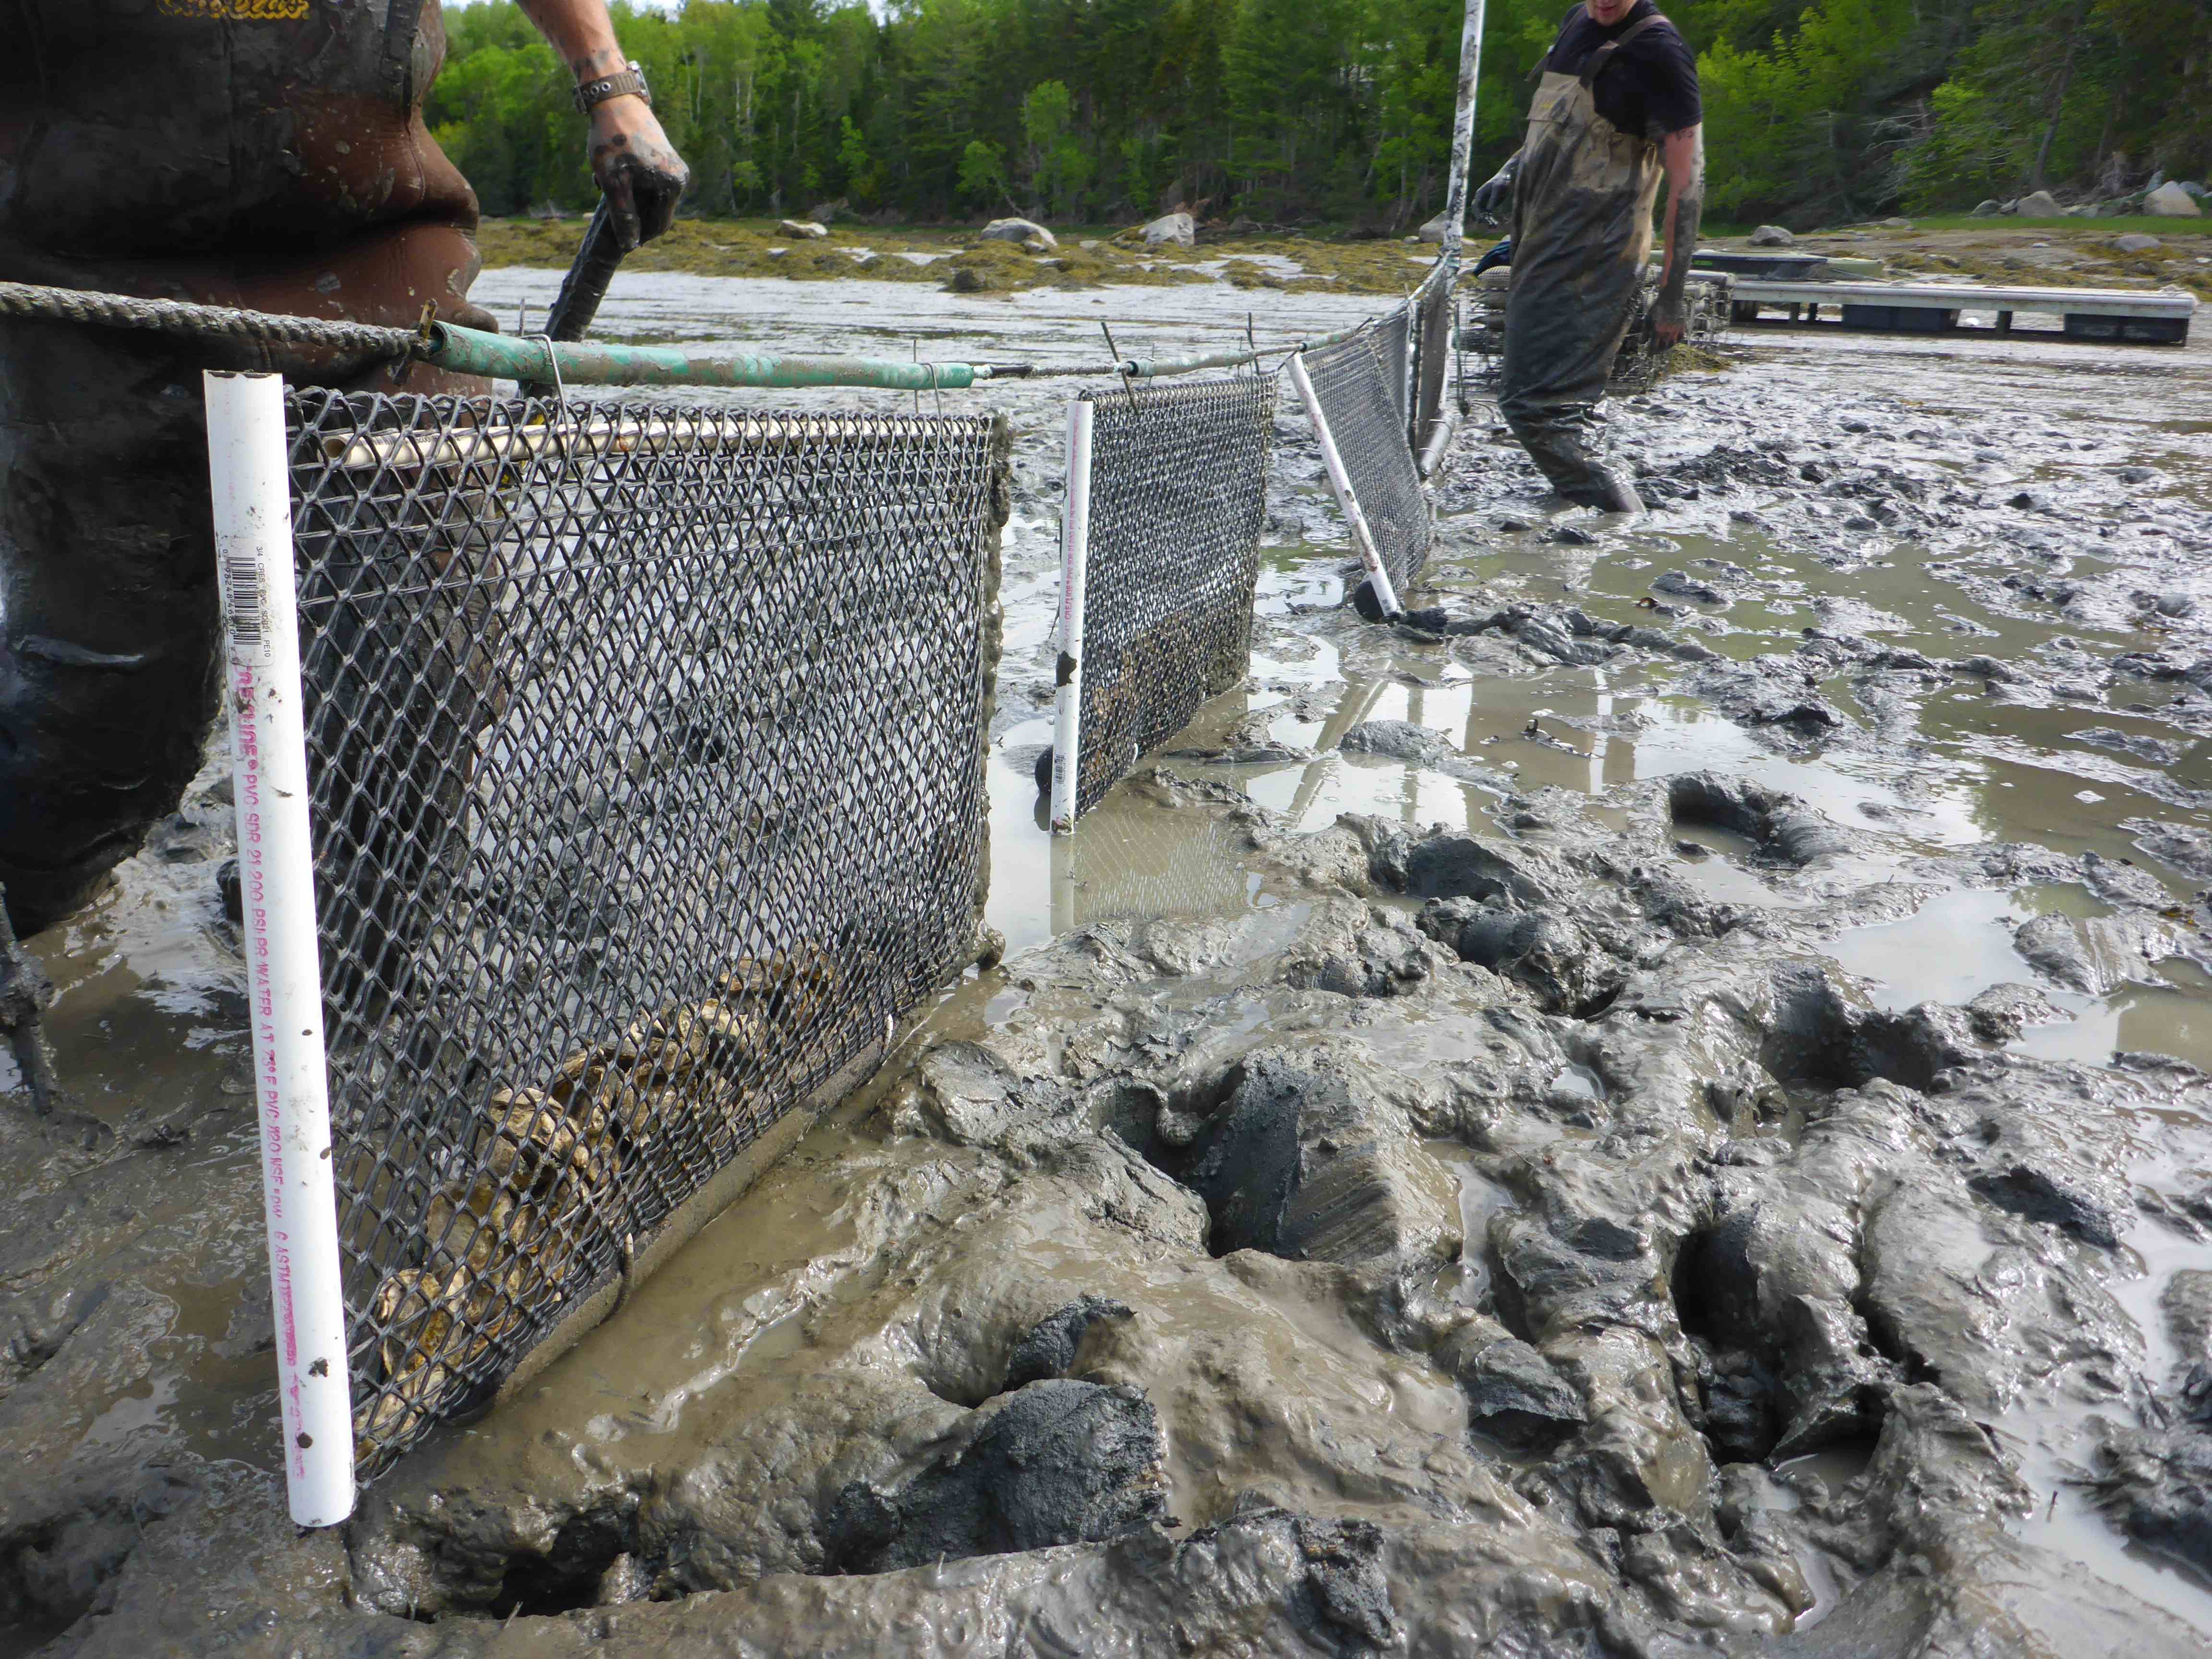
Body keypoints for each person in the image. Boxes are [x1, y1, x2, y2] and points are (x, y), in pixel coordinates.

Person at [0, 0, 687, 940]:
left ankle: (329, 970)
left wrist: (610, 85)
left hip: (379, 273)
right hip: (79, 293)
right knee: (95, 734)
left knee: (418, 678)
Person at [1471, 0, 1704, 512]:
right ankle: (1581, 512)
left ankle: (1618, 524)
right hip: (1542, 237)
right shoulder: (1579, 21)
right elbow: (1557, 123)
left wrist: (1671, 298)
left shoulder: (1660, 52)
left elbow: (1688, 186)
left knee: (1534, 407)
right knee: (1553, 407)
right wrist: (1510, 171)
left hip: (1597, 257)